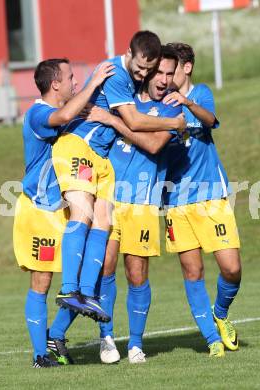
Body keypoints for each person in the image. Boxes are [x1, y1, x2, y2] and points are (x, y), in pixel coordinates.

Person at [53, 31, 185, 323]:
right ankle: (69, 289)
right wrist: (175, 122)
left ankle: (84, 293)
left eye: (148, 70)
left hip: (98, 157)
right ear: (128, 53)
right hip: (80, 145)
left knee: (102, 222)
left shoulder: (135, 79)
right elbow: (135, 121)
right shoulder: (115, 75)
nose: (143, 74)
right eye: (140, 67)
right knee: (82, 214)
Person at [82, 46, 182, 364]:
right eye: (160, 73)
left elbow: (153, 144)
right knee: (106, 267)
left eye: (170, 73)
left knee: (136, 273)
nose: (164, 79)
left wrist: (111, 121)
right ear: (148, 70)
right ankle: (107, 338)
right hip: (108, 197)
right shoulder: (123, 97)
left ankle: (136, 343)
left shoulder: (172, 110)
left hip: (142, 202)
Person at [13, 58, 114, 368]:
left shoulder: (65, 111)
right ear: (55, 83)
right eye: (71, 77)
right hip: (40, 210)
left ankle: (56, 335)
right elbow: (66, 114)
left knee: (86, 273)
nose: (75, 82)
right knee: (42, 282)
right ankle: (39, 355)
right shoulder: (38, 114)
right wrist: (94, 82)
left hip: (64, 209)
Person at [162, 42, 242, 357]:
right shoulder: (159, 104)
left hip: (210, 196)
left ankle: (220, 314)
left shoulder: (201, 94)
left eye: (171, 70)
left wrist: (186, 104)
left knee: (232, 268)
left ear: (187, 67)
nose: (166, 77)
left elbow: (209, 120)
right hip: (175, 200)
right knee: (192, 271)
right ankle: (211, 340)